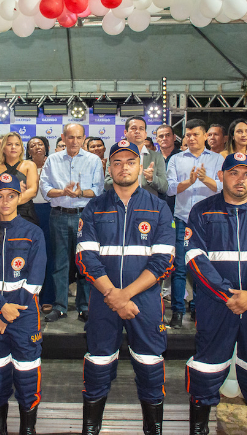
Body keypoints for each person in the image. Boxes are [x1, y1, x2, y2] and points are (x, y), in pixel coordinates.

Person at [184, 153, 247, 435]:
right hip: (217, 306)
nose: (240, 179)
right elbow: (194, 257)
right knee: (207, 367)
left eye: (246, 174)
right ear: (221, 176)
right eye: (233, 173)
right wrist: (227, 294)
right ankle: (200, 428)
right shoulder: (202, 211)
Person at [76, 141, 175, 435]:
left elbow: (164, 260)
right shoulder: (94, 207)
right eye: (117, 162)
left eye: (129, 162)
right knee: (98, 362)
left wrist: (124, 295)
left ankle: (152, 429)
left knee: (149, 364)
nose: (123, 167)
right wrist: (113, 295)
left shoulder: (158, 208)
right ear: (109, 167)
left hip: (142, 301)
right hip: (103, 301)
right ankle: (91, 429)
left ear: (140, 167)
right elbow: (85, 256)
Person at [0, 173, 46, 435]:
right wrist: (0, 308)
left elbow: (35, 281)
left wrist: (7, 315)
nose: (5, 201)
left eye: (11, 196)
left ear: (19, 197)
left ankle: (28, 430)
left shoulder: (33, 233)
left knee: (27, 377)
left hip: (23, 318)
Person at [40, 123, 104, 322]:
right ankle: (60, 306)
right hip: (58, 215)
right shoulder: (52, 160)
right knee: (60, 263)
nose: (74, 141)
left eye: (78, 137)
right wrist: (63, 192)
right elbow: (45, 189)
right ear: (63, 137)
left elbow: (98, 190)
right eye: (70, 137)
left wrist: (79, 193)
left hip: (84, 216)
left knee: (84, 262)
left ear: (83, 138)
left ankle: (84, 306)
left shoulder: (93, 160)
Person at [165, 119, 224, 327]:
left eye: (195, 134)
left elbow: (223, 187)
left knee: (204, 267)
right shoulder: (176, 159)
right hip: (182, 219)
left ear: (206, 136)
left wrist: (204, 179)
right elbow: (170, 189)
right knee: (179, 268)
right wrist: (189, 182)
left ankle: (200, 308)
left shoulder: (218, 159)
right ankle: (178, 311)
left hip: (209, 221)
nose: (191, 138)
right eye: (188, 135)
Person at [27, 136, 56, 312]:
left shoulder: (54, 163)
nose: (37, 147)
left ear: (46, 147)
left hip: (50, 211)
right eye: (32, 145)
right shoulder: (23, 167)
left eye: (40, 144)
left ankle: (48, 297)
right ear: (28, 151)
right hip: (29, 211)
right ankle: (31, 296)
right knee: (31, 255)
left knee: (50, 255)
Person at [106, 116, 167, 198]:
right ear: (125, 132)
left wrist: (151, 178)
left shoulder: (157, 157)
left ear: (145, 134)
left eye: (141, 129)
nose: (137, 131)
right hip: (120, 204)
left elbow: (164, 187)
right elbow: (107, 184)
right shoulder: (115, 155)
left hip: (148, 206)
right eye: (133, 128)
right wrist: (123, 178)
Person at [0, 132, 40, 225]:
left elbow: (32, 191)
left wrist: (9, 202)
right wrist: (16, 189)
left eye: (17, 144)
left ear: (21, 148)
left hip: (25, 214)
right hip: (0, 214)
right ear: (3, 148)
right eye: (9, 144)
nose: (13, 147)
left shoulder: (29, 165)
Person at [156, 124, 181, 213]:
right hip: (157, 207)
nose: (164, 138)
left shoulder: (184, 157)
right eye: (161, 136)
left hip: (179, 208)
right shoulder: (152, 159)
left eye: (168, 135)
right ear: (157, 139)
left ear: (174, 137)